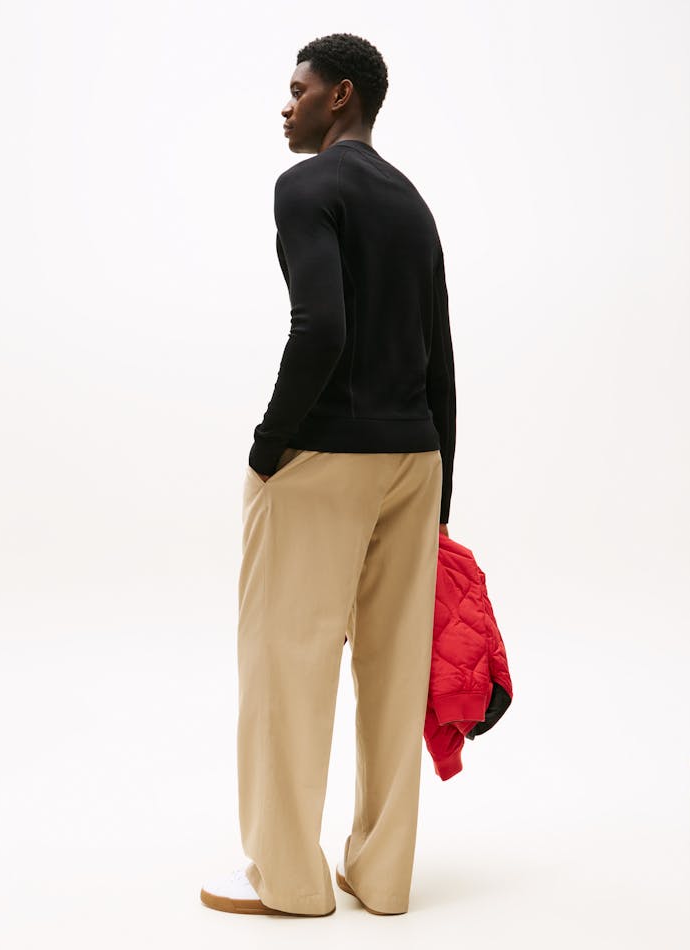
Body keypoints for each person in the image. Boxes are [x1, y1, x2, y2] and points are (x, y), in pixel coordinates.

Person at [201, 31, 456, 918]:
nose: (287, 105)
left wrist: (268, 445)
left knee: (286, 660)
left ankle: (289, 882)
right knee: (392, 672)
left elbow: (320, 328)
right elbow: (439, 353)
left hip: (325, 458)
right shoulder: (412, 202)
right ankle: (381, 877)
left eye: (298, 88)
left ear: (339, 95)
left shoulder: (306, 187)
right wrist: (440, 497)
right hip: (414, 459)